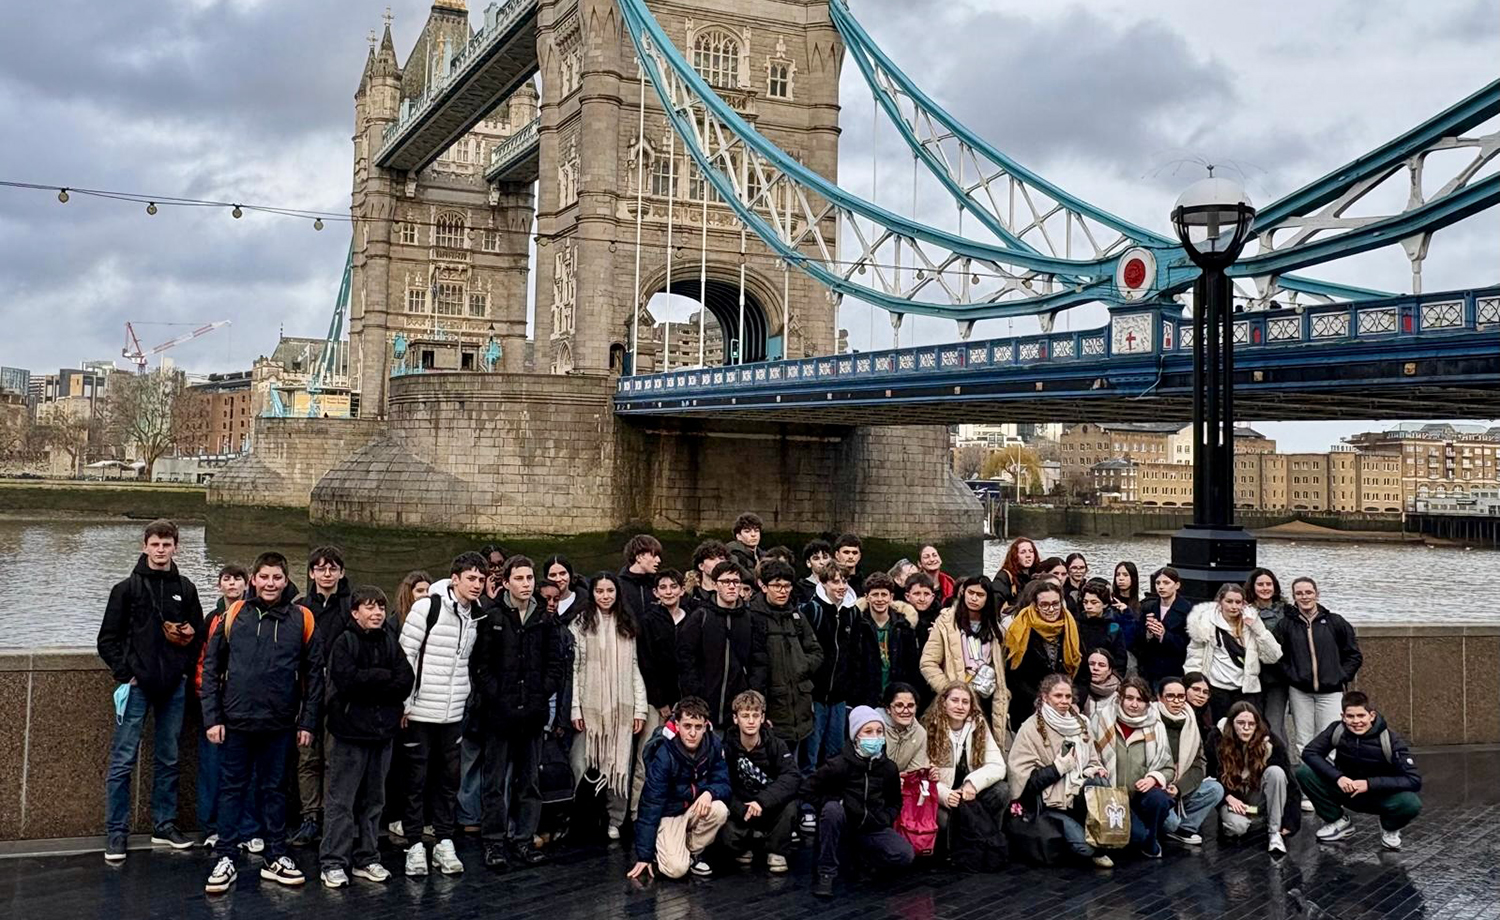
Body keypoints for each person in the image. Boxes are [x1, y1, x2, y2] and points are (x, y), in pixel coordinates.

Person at [201, 551, 322, 894]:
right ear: (253, 579)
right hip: (236, 721)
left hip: (280, 723)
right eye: (264, 577)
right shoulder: (233, 615)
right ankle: (226, 855)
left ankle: (276, 854)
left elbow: (315, 676)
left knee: (274, 791)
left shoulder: (302, 618)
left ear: (286, 581)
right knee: (231, 790)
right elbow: (211, 668)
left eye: (277, 578)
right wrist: (213, 717)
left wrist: (307, 723)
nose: (270, 584)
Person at [98, 519, 205, 861]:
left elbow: (197, 637)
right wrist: (126, 672)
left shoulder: (186, 589)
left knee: (169, 758)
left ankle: (164, 825)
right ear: (144, 546)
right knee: (123, 760)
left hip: (173, 686)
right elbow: (107, 640)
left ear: (176, 547)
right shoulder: (125, 589)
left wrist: (184, 671)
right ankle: (116, 832)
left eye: (167, 544)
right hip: (137, 686)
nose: (161, 550)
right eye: (155, 544)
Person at [471, 555, 568, 871]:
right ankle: (494, 842)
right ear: (508, 582)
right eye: (520, 579)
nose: (526, 584)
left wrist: (541, 694)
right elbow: (481, 665)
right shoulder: (491, 616)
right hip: (500, 713)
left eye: (529, 579)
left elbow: (556, 664)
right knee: (494, 782)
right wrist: (498, 696)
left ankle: (524, 839)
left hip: (532, 712)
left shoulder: (545, 619)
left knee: (529, 781)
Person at [396, 552, 486, 878]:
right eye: (471, 578)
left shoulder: (478, 616)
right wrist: (403, 704)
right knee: (415, 781)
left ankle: (445, 840)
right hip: (420, 710)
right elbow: (405, 656)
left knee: (449, 781)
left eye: (481, 579)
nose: (477, 585)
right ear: (456, 578)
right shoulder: (427, 607)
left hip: (453, 713)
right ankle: (414, 844)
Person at [318, 586, 415, 888]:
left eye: (381, 608)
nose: (377, 614)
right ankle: (333, 861)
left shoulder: (389, 641)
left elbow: (405, 681)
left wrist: (372, 679)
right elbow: (347, 682)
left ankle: (367, 857)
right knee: (341, 801)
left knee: (375, 801)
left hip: (382, 732)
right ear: (355, 612)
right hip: (349, 733)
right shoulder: (344, 643)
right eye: (370, 608)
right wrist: (381, 677)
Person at [569, 572, 649, 841]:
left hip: (622, 706)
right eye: (600, 591)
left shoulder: (626, 624)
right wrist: (575, 708)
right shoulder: (580, 624)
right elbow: (575, 669)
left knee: (619, 765)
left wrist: (640, 709)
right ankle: (584, 818)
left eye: (610, 591)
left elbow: (634, 667)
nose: (605, 596)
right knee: (583, 763)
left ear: (617, 593)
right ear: (592, 593)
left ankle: (616, 819)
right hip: (590, 706)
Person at [1005, 673, 1113, 868]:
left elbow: (1093, 759)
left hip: (1080, 796)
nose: (1064, 701)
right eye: (1058, 696)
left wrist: (1094, 769)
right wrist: (1058, 768)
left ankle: (1099, 838)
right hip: (1051, 802)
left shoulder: (1082, 723)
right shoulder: (1030, 729)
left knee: (1100, 783)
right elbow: (1024, 783)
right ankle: (1080, 840)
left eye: (1068, 696)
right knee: (1085, 849)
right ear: (1045, 697)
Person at [805, 706, 915, 898]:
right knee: (832, 810)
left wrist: (884, 817)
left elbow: (895, 802)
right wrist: (831, 802)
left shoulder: (888, 768)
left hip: (873, 826)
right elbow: (808, 789)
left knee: (904, 854)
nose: (875, 737)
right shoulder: (838, 764)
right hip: (845, 823)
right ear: (856, 735)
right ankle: (826, 873)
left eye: (879, 732)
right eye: (868, 731)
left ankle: (865, 859)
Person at [1298, 691, 1421, 851]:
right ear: (1343, 716)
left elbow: (1413, 780)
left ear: (1371, 715)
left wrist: (1369, 784)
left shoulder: (1391, 740)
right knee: (1304, 772)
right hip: (1346, 790)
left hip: (1379, 796)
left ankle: (1390, 829)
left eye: (1361, 716)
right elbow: (1310, 752)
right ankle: (1338, 821)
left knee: (1411, 803)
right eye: (1350, 716)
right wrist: (1338, 778)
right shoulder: (1337, 730)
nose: (1356, 721)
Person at [629, 696, 732, 881]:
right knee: (676, 870)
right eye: (687, 726)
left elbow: (723, 782)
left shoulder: (713, 745)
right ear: (677, 725)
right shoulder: (664, 754)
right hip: (669, 814)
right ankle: (663, 851)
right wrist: (643, 856)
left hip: (694, 809)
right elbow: (650, 804)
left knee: (720, 810)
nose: (692, 733)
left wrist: (709, 793)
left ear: (705, 726)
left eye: (698, 727)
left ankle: (693, 853)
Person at [291, 545, 353, 848]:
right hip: (307, 693)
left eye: (332, 568)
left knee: (335, 760)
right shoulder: (300, 606)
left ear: (341, 572)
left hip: (340, 696)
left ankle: (332, 816)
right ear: (312, 573)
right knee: (307, 758)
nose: (326, 574)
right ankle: (309, 816)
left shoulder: (352, 606)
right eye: (320, 568)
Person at [196, 565, 255, 851]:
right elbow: (204, 662)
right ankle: (211, 827)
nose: (232, 584)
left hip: (247, 704)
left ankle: (248, 828)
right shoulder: (213, 618)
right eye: (227, 579)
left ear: (247, 584)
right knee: (212, 767)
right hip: (217, 703)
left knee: (248, 769)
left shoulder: (255, 616)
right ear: (219, 585)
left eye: (237, 579)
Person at [922, 681, 1010, 868]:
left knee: (1002, 791)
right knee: (944, 821)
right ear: (943, 702)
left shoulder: (978, 726)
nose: (960, 706)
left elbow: (997, 765)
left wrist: (972, 783)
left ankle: (988, 844)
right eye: (954, 700)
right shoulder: (929, 727)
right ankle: (952, 853)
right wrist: (945, 795)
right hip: (943, 795)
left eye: (965, 702)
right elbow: (922, 773)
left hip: (969, 793)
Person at [1275, 577, 1362, 762]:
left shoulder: (1335, 622)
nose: (1304, 597)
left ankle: (1327, 786)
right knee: (1303, 742)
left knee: (1331, 740)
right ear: (1294, 597)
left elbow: (1353, 655)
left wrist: (1341, 676)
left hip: (1331, 692)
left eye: (1308, 592)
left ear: (1317, 594)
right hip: (1300, 692)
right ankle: (1307, 787)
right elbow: (1276, 657)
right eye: (1299, 593)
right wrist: (1292, 676)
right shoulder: (1286, 625)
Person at [1089, 676, 1176, 859]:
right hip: (1112, 797)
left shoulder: (1156, 726)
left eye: (1140, 700)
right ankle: (1141, 837)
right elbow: (1089, 756)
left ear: (1147, 703)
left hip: (1140, 796)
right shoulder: (1102, 719)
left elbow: (1168, 768)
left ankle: (1151, 840)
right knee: (1135, 837)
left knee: (1159, 800)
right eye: (1129, 698)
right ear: (1120, 698)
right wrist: (1097, 768)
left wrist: (1153, 778)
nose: (1134, 704)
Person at [677, 560, 769, 731]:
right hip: (705, 707)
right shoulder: (700, 617)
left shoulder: (751, 620)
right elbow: (686, 659)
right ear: (714, 584)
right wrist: (695, 694)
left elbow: (759, 661)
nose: (732, 586)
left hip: (738, 711)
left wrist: (753, 693)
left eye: (735, 582)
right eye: (726, 582)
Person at [719, 690, 800, 874]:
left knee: (791, 806)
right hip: (741, 811)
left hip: (769, 807)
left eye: (755, 715)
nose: (750, 721)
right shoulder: (726, 748)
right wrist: (739, 808)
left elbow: (792, 777)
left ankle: (775, 850)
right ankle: (744, 846)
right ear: (735, 718)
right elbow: (721, 783)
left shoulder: (776, 744)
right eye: (745, 715)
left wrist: (762, 801)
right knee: (722, 819)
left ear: (762, 718)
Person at [920, 575, 1010, 736]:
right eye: (971, 593)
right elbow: (928, 663)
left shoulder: (996, 630)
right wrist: (948, 690)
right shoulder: (946, 622)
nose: (974, 598)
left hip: (986, 699)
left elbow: (1000, 669)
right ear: (963, 593)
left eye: (980, 595)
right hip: (954, 696)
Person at [632, 568, 689, 819]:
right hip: (657, 701)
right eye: (663, 587)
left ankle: (675, 810)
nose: (669, 592)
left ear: (682, 589)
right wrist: (661, 701)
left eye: (673, 587)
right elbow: (647, 662)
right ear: (656, 592)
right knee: (648, 755)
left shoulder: (693, 617)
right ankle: (636, 811)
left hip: (684, 701)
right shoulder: (648, 620)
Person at [750, 559, 823, 751]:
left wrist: (801, 666)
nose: (783, 591)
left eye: (787, 586)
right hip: (772, 705)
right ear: (763, 587)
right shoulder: (752, 616)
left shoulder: (796, 616)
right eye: (777, 586)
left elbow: (816, 651)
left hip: (800, 703)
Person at [1184, 583, 1283, 723]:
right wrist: (1195, 686)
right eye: (1229, 601)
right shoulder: (1205, 623)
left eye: (1238, 602)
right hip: (1216, 689)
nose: (1234, 606)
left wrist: (1258, 628)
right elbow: (1194, 657)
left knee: (1247, 731)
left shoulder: (1252, 622)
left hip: (1246, 689)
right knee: (1219, 731)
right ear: (1220, 602)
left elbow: (1273, 656)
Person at [801, 563, 860, 790]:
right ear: (823, 583)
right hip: (815, 694)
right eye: (835, 581)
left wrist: (850, 689)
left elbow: (855, 653)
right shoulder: (811, 611)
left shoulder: (852, 613)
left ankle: (832, 795)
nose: (841, 586)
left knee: (836, 751)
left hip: (839, 695)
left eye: (844, 581)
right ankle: (808, 798)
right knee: (811, 753)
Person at [1217, 701, 1302, 854]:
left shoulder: (1271, 742)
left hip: (1258, 794)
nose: (1246, 728)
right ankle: (1257, 820)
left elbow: (1290, 782)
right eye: (1241, 723)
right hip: (1234, 798)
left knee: (1276, 772)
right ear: (1232, 723)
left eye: (1251, 723)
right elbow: (1211, 776)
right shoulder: (1218, 740)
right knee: (1238, 828)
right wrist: (1227, 797)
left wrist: (1291, 820)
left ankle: (1274, 832)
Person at [1002, 583, 1082, 734]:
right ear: (1036, 605)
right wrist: (1042, 700)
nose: (1051, 609)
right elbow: (1013, 675)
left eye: (1055, 604)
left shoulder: (1071, 627)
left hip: (1065, 705)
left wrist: (1075, 700)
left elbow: (1082, 671)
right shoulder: (1020, 627)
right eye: (1044, 605)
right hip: (1028, 706)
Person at [1155, 677, 1225, 847]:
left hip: (1178, 787)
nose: (1177, 701)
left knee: (1215, 789)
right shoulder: (1149, 720)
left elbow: (1198, 764)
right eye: (1170, 696)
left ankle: (1184, 829)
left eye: (1180, 696)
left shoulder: (1191, 723)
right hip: (1155, 785)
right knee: (1168, 823)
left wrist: (1179, 788)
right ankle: (1166, 826)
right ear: (1159, 697)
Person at [853, 572, 922, 706]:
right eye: (875, 595)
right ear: (867, 597)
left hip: (897, 696)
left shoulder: (903, 627)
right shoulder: (858, 626)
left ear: (891, 597)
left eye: (884, 595)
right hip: (866, 695)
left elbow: (912, 666)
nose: (880, 599)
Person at [1245, 567, 1290, 743]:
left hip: (1278, 676)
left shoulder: (1286, 611)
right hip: (1252, 674)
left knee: (1274, 723)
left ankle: (1280, 763)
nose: (1265, 588)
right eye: (1260, 584)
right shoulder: (1244, 610)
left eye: (1268, 584)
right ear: (1253, 587)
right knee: (1254, 720)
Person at [1133, 567, 1192, 687]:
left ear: (1177, 585)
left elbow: (1188, 644)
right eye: (1158, 583)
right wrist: (1148, 634)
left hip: (1174, 670)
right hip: (1149, 669)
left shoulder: (1187, 611)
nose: (1161, 587)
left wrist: (1164, 635)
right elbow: (1137, 639)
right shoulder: (1148, 608)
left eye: (1166, 583)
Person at [881, 682, 931, 774]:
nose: (906, 711)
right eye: (899, 706)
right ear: (888, 708)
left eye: (911, 705)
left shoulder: (920, 733)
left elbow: (915, 770)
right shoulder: (875, 728)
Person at [1181, 672, 1222, 777]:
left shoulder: (1206, 713)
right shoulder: (1176, 713)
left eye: (1205, 692)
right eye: (1196, 689)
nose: (1201, 695)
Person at [617, 534, 663, 625]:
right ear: (639, 557)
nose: (658, 560)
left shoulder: (659, 584)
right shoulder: (618, 585)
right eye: (654, 555)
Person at [903, 573, 943, 663]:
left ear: (933, 596)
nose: (922, 599)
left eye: (926, 594)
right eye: (917, 594)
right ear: (907, 596)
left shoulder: (942, 619)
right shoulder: (899, 620)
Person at [992, 537, 1038, 611]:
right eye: (1023, 552)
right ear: (1015, 556)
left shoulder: (1038, 575)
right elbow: (995, 603)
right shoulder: (1004, 576)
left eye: (1031, 551)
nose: (1028, 555)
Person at [686, 540, 732, 609]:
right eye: (712, 559)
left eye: (721, 558)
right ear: (701, 566)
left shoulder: (733, 592)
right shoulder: (690, 595)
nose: (718, 562)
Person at [1077, 649, 1120, 717]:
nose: (1096, 668)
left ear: (1109, 670)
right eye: (1091, 664)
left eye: (1101, 665)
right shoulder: (1076, 692)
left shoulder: (1121, 692)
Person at [542, 554, 581, 619]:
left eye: (562, 573)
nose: (558, 579)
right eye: (553, 575)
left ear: (570, 575)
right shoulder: (538, 604)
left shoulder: (584, 602)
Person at [797, 538, 834, 605]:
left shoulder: (840, 584)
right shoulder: (801, 587)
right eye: (816, 558)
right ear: (808, 563)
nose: (822, 562)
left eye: (825, 557)